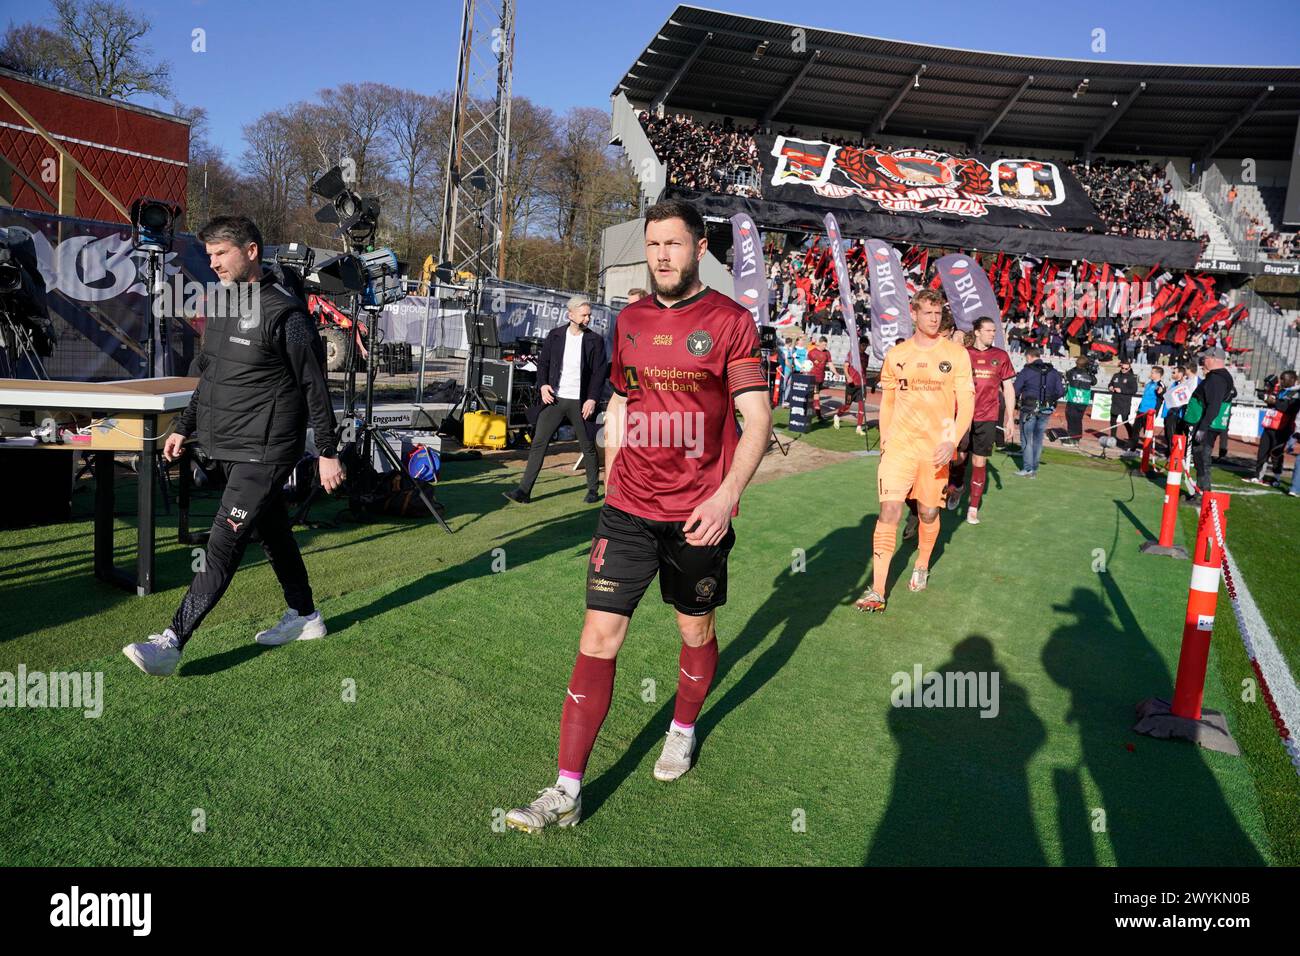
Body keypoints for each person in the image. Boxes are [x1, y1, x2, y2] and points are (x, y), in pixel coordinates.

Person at [504, 199, 771, 832]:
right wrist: (614, 466)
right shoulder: (628, 320)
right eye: (653, 245)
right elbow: (622, 400)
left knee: (694, 631)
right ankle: (565, 789)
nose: (661, 256)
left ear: (699, 248)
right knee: (598, 636)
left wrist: (726, 495)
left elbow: (756, 420)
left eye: (673, 245)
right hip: (627, 508)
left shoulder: (731, 322)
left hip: (699, 514)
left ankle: (682, 727)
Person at [122, 215, 345, 676]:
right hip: (227, 443)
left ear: (251, 251)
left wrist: (327, 451)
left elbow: (314, 387)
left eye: (221, 254)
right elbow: (213, 376)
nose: (214, 263)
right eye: (209, 256)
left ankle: (170, 643)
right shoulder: (222, 303)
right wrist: (183, 426)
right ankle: (305, 616)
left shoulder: (287, 313)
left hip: (265, 450)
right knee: (274, 532)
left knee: (223, 544)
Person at [854, 289, 974, 612]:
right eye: (928, 313)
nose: (934, 318)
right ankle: (878, 590)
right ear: (914, 313)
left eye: (938, 313)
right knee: (889, 512)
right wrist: (885, 440)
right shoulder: (897, 355)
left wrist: (951, 441)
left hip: (935, 450)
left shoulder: (956, 355)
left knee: (928, 513)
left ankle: (921, 563)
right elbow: (889, 401)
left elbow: (966, 405)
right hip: (900, 448)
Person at [503, 296, 606, 505]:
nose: (588, 318)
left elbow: (599, 373)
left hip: (581, 402)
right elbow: (543, 364)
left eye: (589, 314)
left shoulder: (595, 340)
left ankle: (593, 490)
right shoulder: (555, 335)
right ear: (571, 315)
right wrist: (542, 385)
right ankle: (524, 491)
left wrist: (592, 399)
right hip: (555, 400)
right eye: (584, 314)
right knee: (538, 443)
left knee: (587, 445)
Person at [946, 316, 1016, 524]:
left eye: (994, 331)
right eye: (988, 330)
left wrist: (1010, 417)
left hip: (987, 416)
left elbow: (1009, 388)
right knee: (958, 457)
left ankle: (973, 507)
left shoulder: (1001, 356)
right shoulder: (963, 354)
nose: (992, 334)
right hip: (962, 415)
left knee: (979, 460)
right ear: (976, 332)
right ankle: (957, 487)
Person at [1185, 348, 1237, 503]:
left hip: (1207, 426)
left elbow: (1214, 405)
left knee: (1202, 458)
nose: (1203, 361)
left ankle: (1203, 494)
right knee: (1201, 458)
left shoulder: (1217, 379)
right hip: (1207, 424)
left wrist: (1202, 427)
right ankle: (1201, 492)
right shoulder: (1218, 377)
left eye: (1205, 358)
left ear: (1214, 359)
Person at [1013, 346, 1064, 478]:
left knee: (1026, 439)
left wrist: (1016, 402)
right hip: (1046, 410)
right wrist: (1049, 399)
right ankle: (1034, 468)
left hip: (1029, 409)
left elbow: (1016, 389)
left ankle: (1028, 468)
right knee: (1038, 439)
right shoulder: (1053, 372)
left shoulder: (1026, 370)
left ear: (1029, 357)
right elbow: (1060, 392)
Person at [1249, 370, 1299, 484]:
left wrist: (1272, 399)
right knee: (1262, 452)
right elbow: (1274, 404)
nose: (1280, 381)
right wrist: (1265, 398)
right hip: (1269, 425)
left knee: (1276, 454)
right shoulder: (1282, 391)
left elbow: (1285, 407)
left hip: (1282, 429)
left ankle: (1277, 478)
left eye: (1283, 379)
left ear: (1291, 380)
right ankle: (1258, 475)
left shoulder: (1295, 393)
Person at [833, 333, 870, 435]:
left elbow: (864, 370)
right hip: (851, 384)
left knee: (862, 405)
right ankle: (837, 416)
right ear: (859, 344)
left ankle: (858, 427)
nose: (864, 348)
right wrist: (848, 377)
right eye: (863, 345)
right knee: (847, 405)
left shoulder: (866, 356)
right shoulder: (851, 354)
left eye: (866, 346)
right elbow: (845, 367)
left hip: (862, 384)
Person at [1106, 360, 1140, 453]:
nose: (1124, 370)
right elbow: (1110, 384)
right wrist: (1110, 387)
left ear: (1129, 368)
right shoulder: (1116, 375)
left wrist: (1121, 390)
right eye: (1122, 368)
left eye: (1126, 368)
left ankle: (1131, 439)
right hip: (1115, 401)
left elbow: (1134, 390)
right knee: (1113, 420)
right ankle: (1113, 439)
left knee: (1125, 421)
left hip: (1125, 403)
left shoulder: (1132, 377)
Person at [1062, 355, 1096, 446]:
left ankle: (1072, 438)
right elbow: (1094, 381)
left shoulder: (1073, 372)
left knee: (1071, 418)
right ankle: (1076, 438)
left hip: (1073, 399)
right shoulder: (1088, 374)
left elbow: (1068, 374)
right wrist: (1090, 371)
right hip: (1083, 401)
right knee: (1078, 419)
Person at [1133, 366, 1166, 456]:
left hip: (1150, 413)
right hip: (1141, 411)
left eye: (1152, 373)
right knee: (1135, 430)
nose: (1150, 374)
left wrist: (1161, 392)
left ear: (1158, 374)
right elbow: (1145, 397)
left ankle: (1146, 451)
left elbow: (1162, 395)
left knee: (1147, 433)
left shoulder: (1160, 385)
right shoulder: (1149, 384)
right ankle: (1132, 449)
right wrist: (1139, 407)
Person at [807, 335, 838, 421]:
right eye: (824, 344)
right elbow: (813, 364)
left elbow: (830, 364)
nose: (825, 346)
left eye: (826, 345)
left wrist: (835, 373)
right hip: (813, 377)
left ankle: (812, 412)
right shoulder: (812, 353)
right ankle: (818, 415)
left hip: (821, 378)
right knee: (816, 396)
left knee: (814, 396)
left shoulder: (827, 353)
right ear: (819, 343)